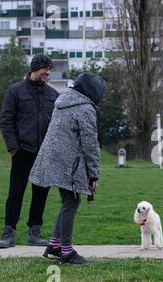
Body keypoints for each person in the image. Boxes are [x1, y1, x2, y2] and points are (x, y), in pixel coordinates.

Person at [29, 72, 106, 264]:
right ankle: (66, 251)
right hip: (67, 162)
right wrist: (94, 173)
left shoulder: (62, 101)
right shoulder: (85, 108)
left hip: (50, 158)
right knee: (71, 203)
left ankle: (55, 245)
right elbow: (90, 143)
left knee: (68, 202)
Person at [0, 54, 59, 249]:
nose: (48, 72)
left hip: (45, 152)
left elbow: (57, 124)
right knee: (16, 192)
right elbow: (6, 121)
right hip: (22, 150)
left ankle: (35, 232)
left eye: (50, 69)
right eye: (45, 69)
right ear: (34, 68)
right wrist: (13, 147)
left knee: (40, 193)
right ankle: (8, 233)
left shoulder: (53, 95)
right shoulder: (14, 91)